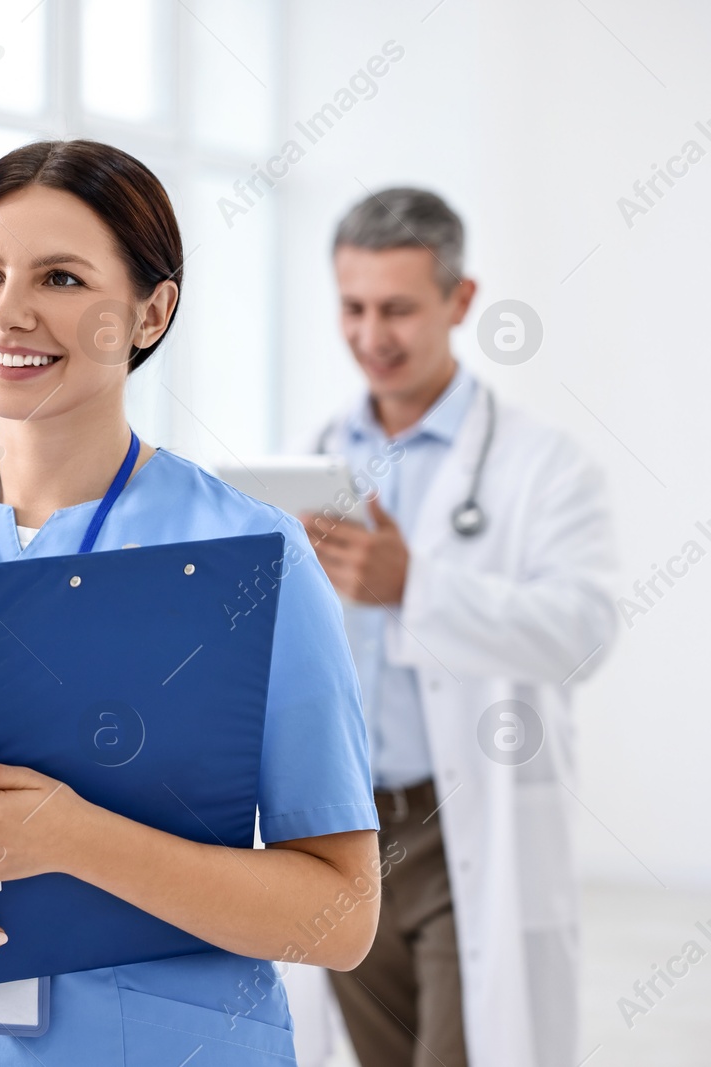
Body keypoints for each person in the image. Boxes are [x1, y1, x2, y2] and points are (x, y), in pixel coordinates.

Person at [0, 139, 383, 1066]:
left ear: (152, 311)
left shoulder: (254, 555)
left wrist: (76, 840)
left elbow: (342, 914)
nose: (9, 312)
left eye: (61, 278)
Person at [288, 188, 618, 1067]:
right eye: (352, 308)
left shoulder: (541, 465)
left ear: (460, 302)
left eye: (398, 308)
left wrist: (417, 587)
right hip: (341, 821)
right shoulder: (317, 453)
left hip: (461, 814)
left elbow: (584, 630)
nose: (372, 334)